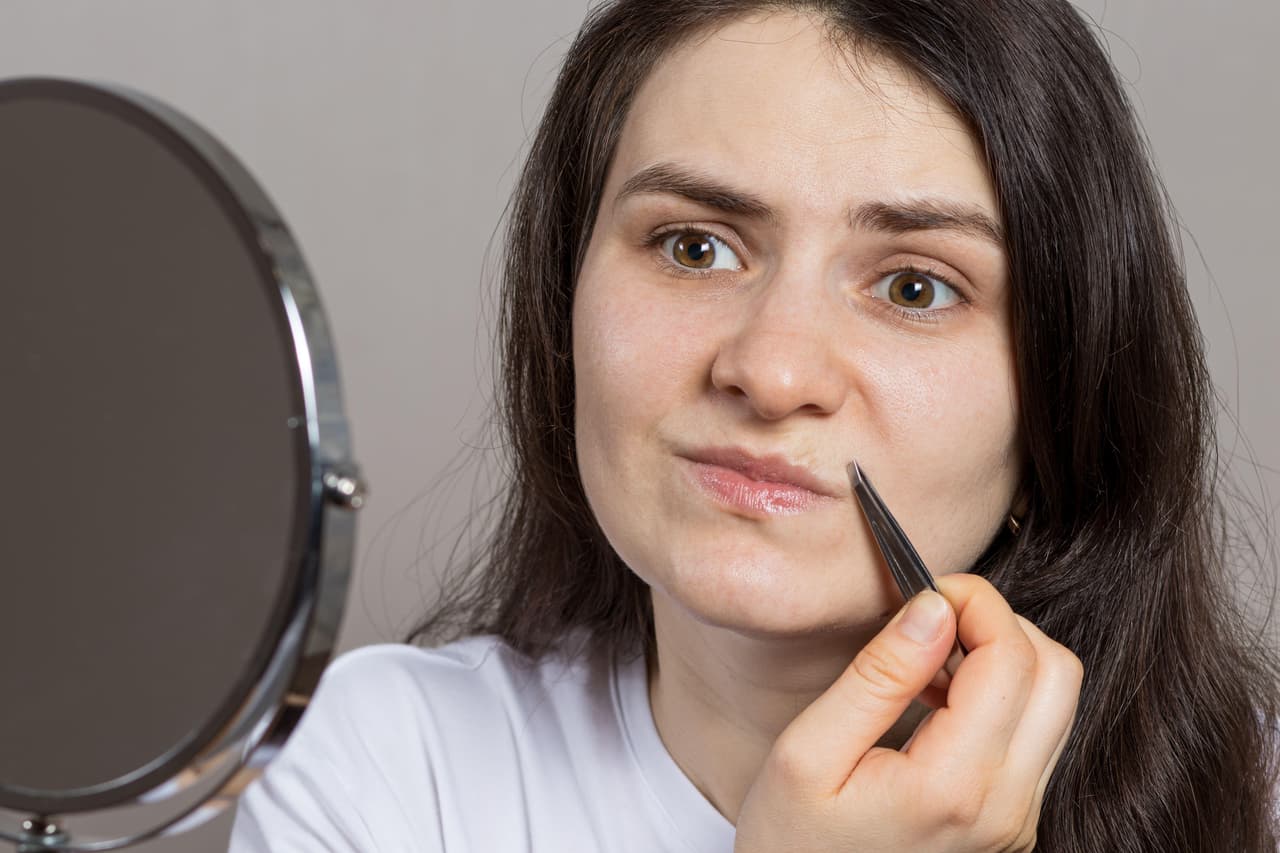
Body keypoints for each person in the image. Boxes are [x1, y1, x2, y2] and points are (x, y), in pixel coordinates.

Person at [228, 0, 1280, 850]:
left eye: (913, 287)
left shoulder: (1258, 801)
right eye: (695, 248)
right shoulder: (385, 770)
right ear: (562, 300)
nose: (771, 374)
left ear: (1065, 390)